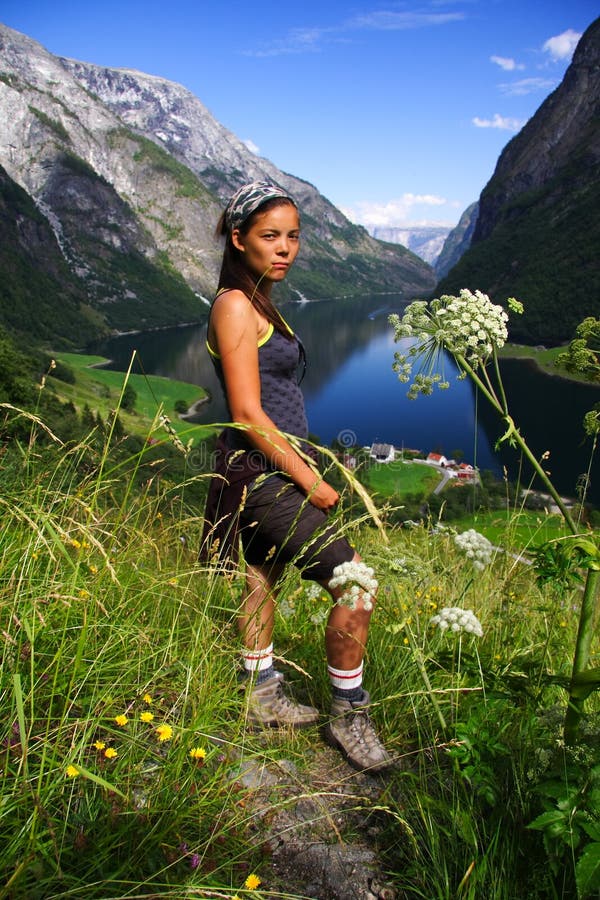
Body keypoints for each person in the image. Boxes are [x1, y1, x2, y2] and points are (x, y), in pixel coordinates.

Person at [200, 181, 390, 773]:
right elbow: (248, 413)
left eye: (293, 237)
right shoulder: (235, 304)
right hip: (262, 473)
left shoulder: (259, 301)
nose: (285, 249)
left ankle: (259, 696)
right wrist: (313, 481)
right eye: (270, 237)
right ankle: (348, 715)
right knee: (355, 586)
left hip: (262, 469)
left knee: (261, 576)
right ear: (239, 239)